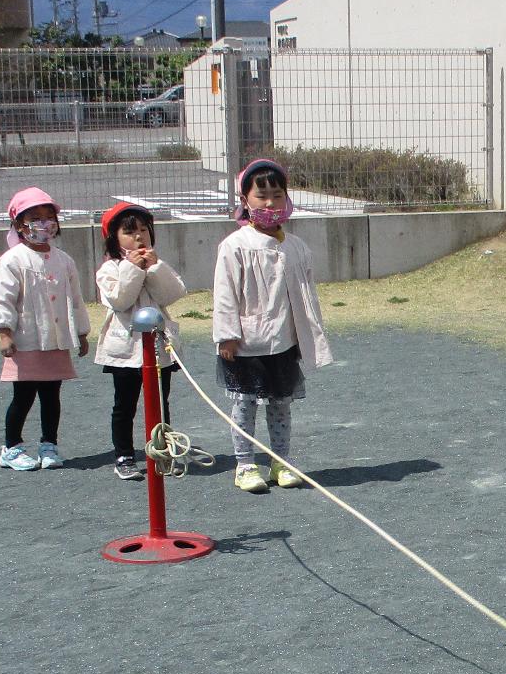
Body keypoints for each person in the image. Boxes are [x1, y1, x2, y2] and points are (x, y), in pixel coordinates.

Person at [212, 159, 333, 492]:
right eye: (261, 195)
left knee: (281, 404)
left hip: (283, 342)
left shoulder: (295, 247)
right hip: (247, 343)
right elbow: (225, 294)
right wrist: (227, 335)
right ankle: (245, 464)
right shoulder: (235, 246)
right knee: (245, 403)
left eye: (277, 195)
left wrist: (307, 335)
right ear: (245, 200)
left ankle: (281, 461)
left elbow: (308, 296)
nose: (269, 203)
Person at [0, 186, 90, 471]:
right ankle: (11, 447)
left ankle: (49, 445)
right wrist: (4, 332)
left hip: (55, 341)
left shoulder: (64, 260)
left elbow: (77, 299)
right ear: (20, 224)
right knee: (23, 396)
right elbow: (2, 299)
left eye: (49, 217)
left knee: (51, 396)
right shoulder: (12, 261)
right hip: (26, 340)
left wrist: (81, 332)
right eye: (35, 217)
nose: (44, 223)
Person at [94, 201, 187, 480]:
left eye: (144, 231)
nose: (139, 237)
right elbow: (120, 299)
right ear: (114, 238)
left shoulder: (157, 264)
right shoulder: (109, 269)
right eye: (129, 232)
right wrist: (133, 269)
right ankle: (124, 455)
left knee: (160, 401)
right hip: (125, 349)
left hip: (158, 347)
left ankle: (162, 450)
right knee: (125, 404)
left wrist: (155, 267)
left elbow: (172, 293)